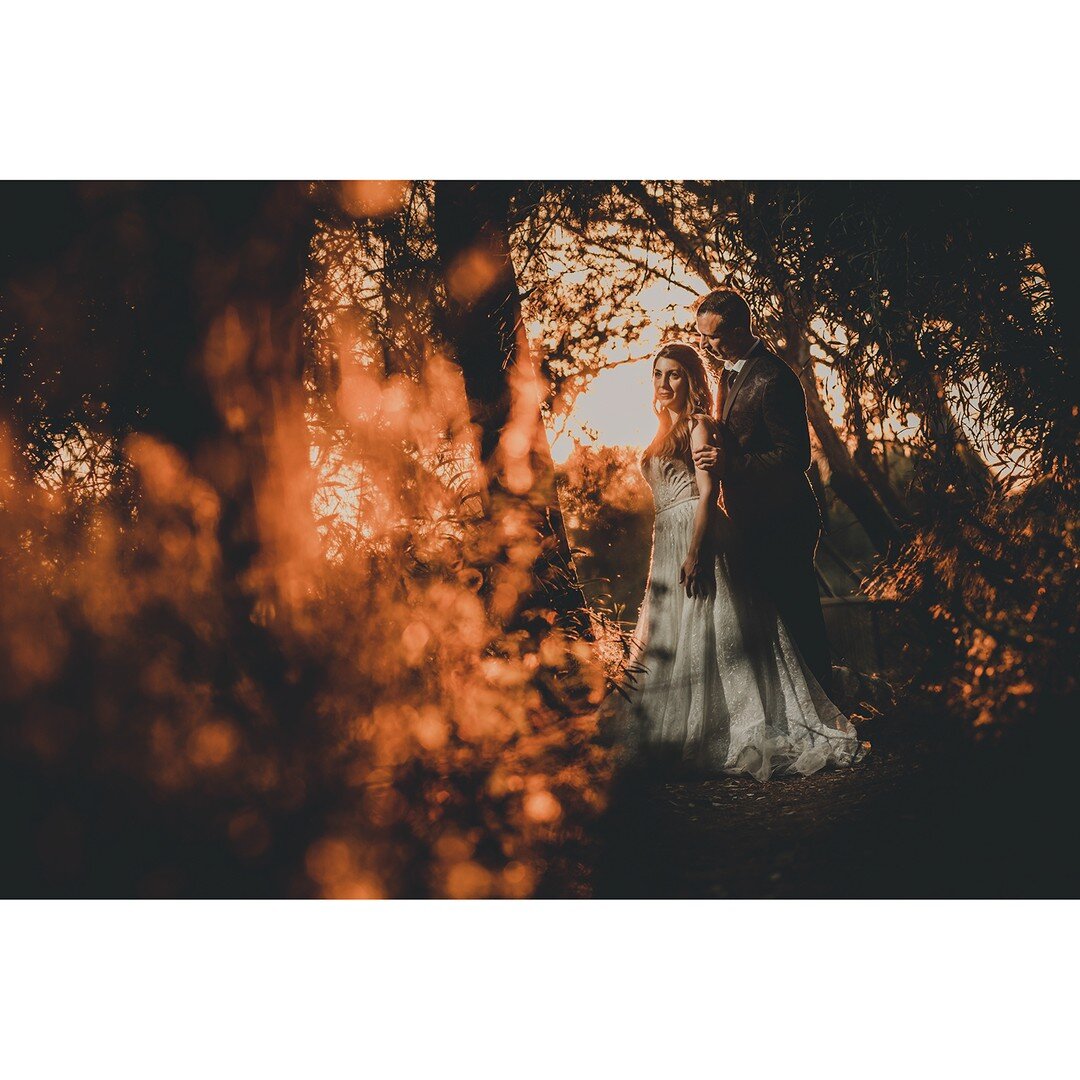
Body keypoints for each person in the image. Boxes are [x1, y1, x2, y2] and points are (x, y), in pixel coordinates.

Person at [613, 341, 862, 780]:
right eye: (658, 373)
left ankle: (735, 725)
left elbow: (708, 492)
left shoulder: (699, 426)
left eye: (674, 374)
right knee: (675, 631)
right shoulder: (657, 429)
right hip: (666, 535)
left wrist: (694, 551)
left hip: (698, 529)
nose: (664, 382)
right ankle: (678, 724)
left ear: (691, 379)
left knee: (715, 626)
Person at [692, 289, 833, 693]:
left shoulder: (774, 377)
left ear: (738, 332)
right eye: (701, 335)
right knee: (774, 624)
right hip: (751, 519)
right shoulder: (730, 368)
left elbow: (795, 456)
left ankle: (826, 714)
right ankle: (798, 711)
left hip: (783, 520)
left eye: (713, 337)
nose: (705, 344)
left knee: (799, 620)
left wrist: (730, 466)